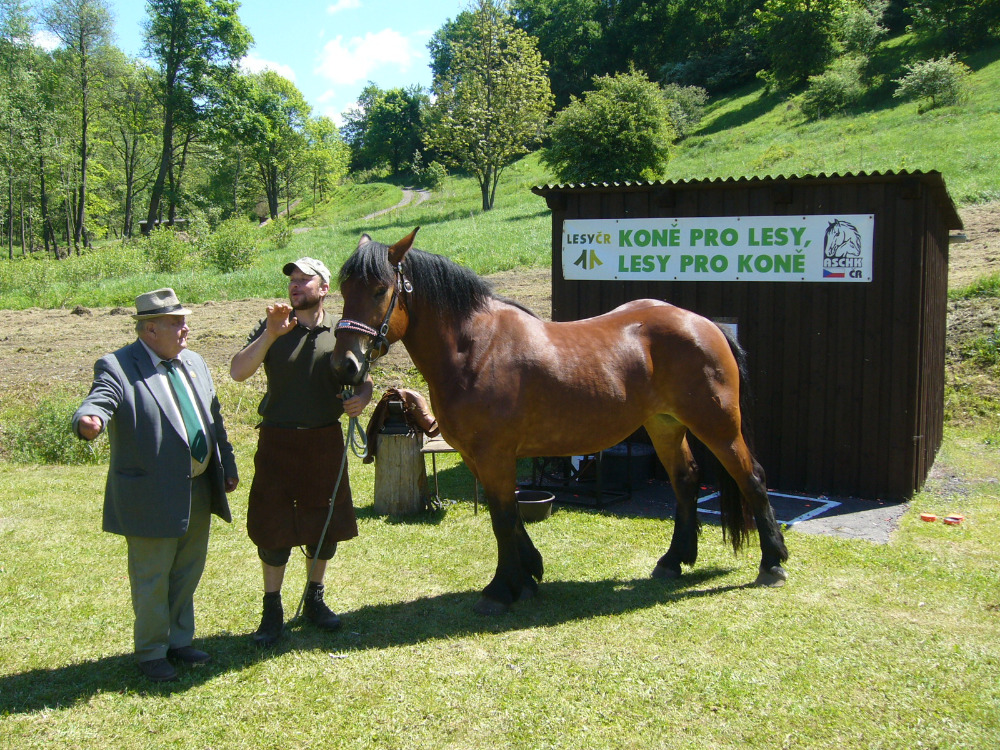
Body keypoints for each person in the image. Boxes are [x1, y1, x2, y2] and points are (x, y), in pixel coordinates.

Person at [73, 288, 239, 682]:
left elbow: (213, 420)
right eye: (176, 322)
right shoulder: (117, 365)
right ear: (149, 330)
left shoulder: (194, 361)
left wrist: (226, 464)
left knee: (187, 569)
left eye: (184, 320)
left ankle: (179, 641)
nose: (185, 329)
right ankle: (151, 652)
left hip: (198, 486)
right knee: (152, 576)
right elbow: (101, 398)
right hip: (150, 493)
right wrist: (89, 419)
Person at [231, 257, 373, 647]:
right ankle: (272, 609)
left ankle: (314, 599)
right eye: (291, 280)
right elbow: (237, 371)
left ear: (324, 288)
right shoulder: (275, 326)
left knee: (323, 526)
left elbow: (365, 381)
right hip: (277, 441)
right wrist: (271, 335)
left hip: (324, 441)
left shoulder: (340, 332)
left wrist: (361, 398)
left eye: (303, 280)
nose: (295, 286)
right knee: (273, 528)